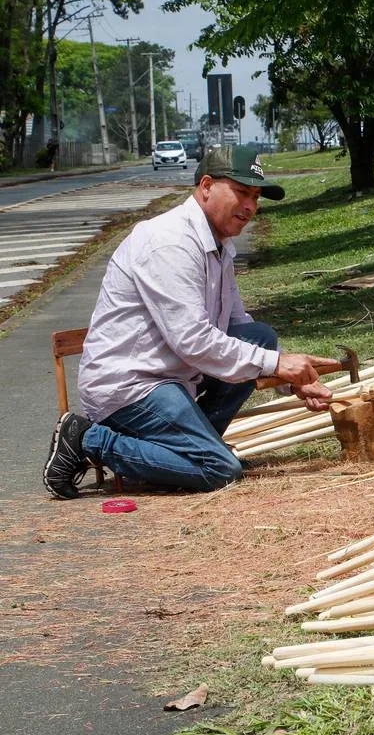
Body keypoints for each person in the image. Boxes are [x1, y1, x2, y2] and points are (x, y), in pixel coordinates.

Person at [43, 145, 333, 499]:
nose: (249, 208)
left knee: (259, 336)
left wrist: (290, 381)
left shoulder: (219, 243)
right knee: (220, 469)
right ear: (207, 186)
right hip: (131, 387)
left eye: (256, 198)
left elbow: (237, 322)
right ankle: (87, 438)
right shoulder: (169, 243)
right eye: (242, 192)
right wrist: (276, 364)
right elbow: (193, 340)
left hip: (172, 378)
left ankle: (175, 456)